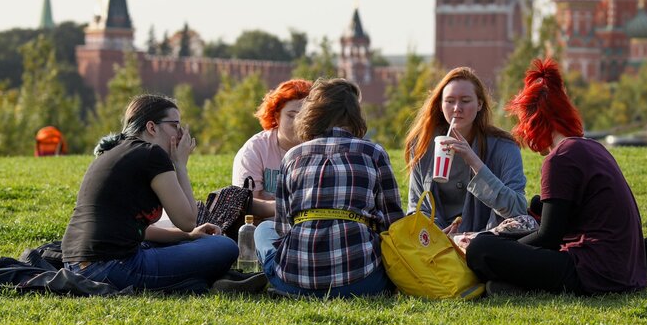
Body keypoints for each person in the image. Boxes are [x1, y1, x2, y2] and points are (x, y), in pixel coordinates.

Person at [465, 58, 647, 296]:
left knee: (481, 248)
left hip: (592, 271)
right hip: (624, 269)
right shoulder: (593, 147)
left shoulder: (560, 159)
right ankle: (513, 284)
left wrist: (507, 250)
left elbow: (549, 237)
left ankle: (510, 278)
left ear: (533, 122)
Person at [62, 94, 249, 293]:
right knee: (224, 246)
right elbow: (187, 220)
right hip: (112, 268)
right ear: (152, 127)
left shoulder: (114, 152)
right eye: (175, 126)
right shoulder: (152, 154)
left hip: (76, 266)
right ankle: (201, 281)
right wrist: (180, 165)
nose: (180, 134)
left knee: (174, 245)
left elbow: (141, 231)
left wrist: (189, 236)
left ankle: (197, 280)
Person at [253, 78, 405, 297]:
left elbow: (283, 227)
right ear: (355, 115)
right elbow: (393, 223)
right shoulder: (373, 153)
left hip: (294, 283)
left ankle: (274, 279)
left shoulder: (292, 157)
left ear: (311, 114)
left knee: (263, 230)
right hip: (363, 282)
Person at [404, 67, 527, 234]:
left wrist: (474, 162)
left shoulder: (504, 147)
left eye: (465, 100)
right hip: (436, 242)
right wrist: (436, 233)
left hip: (487, 240)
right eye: (450, 101)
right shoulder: (423, 144)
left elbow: (518, 209)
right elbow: (416, 208)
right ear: (440, 105)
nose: (457, 108)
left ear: (479, 104)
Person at [232, 79, 312, 219]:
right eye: (291, 115)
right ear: (276, 116)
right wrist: (291, 207)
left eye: (305, 116)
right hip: (264, 227)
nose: (298, 122)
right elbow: (244, 203)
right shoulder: (254, 150)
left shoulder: (323, 148)